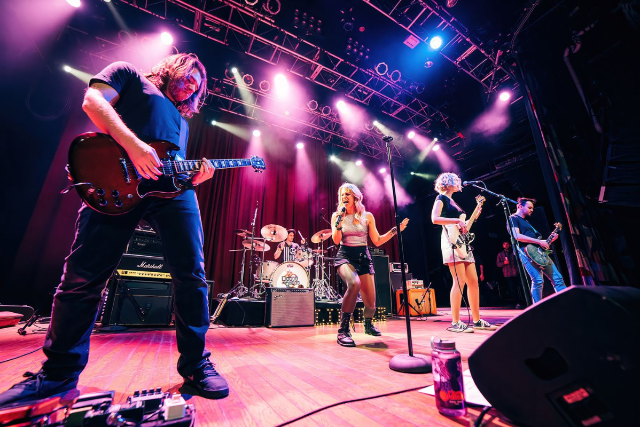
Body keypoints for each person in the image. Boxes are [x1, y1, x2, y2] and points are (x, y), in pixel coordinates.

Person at [0, 54, 229, 408]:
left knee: (193, 276)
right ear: (173, 67)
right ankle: (58, 373)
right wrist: (134, 146)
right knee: (84, 276)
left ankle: (196, 364)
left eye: (197, 87)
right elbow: (93, 102)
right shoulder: (130, 75)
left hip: (172, 194)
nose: (192, 87)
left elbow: (171, 164)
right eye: (189, 77)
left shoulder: (182, 123)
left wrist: (195, 175)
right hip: (117, 184)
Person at [331, 183, 409, 347]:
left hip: (363, 257)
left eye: (348, 194)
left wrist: (396, 230)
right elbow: (336, 241)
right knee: (354, 284)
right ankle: (343, 330)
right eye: (342, 194)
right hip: (345, 255)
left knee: (371, 306)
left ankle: (368, 324)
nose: (344, 197)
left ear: (355, 197)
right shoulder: (337, 216)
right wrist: (338, 223)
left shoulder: (368, 216)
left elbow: (377, 240)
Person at [431, 173, 496, 333]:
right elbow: (435, 219)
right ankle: (455, 322)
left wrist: (472, 217)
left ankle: (477, 320)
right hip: (451, 242)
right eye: (456, 181)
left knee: (473, 281)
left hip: (463, 244)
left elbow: (462, 226)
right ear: (448, 183)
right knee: (459, 281)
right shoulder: (441, 198)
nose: (459, 183)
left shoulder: (453, 201)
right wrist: (457, 221)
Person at [508, 198, 566, 303]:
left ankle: (567, 303)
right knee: (538, 280)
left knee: (558, 279)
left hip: (539, 252)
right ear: (520, 206)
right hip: (525, 252)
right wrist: (539, 241)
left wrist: (550, 240)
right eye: (529, 207)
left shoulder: (526, 221)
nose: (532, 210)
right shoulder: (513, 218)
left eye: (532, 208)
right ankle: (537, 308)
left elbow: (538, 242)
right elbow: (517, 236)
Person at [496, 241, 524, 307]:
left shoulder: (514, 252)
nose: (506, 245)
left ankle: (525, 301)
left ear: (510, 245)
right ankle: (517, 303)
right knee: (512, 289)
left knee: (521, 287)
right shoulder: (500, 254)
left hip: (517, 273)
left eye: (507, 244)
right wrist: (503, 263)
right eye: (504, 244)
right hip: (508, 274)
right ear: (503, 245)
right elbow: (498, 264)